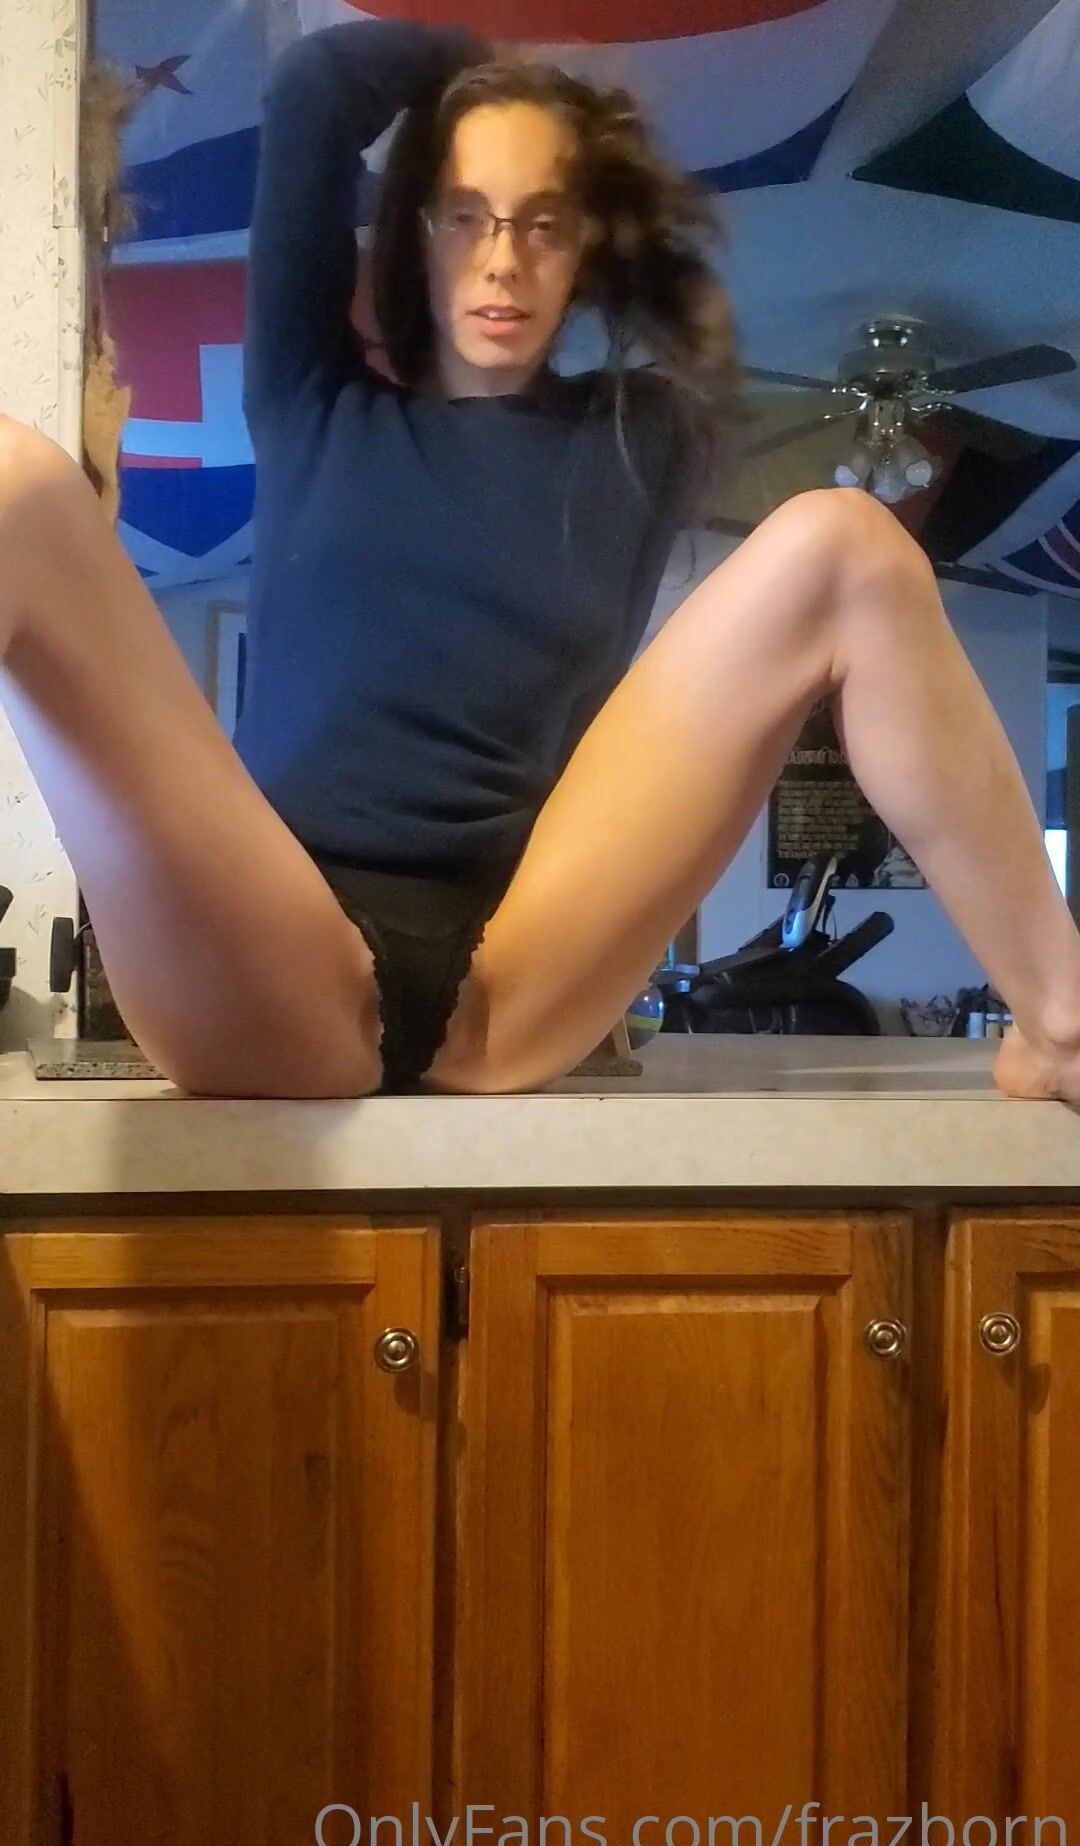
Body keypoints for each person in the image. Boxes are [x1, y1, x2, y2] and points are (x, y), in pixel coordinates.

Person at [1, 16, 1079, 1104]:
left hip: (511, 978)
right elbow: (322, 85)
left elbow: (672, 294)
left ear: (583, 247)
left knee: (847, 541)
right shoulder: (311, 397)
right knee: (15, 481)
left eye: (543, 224)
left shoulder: (644, 436)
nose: (503, 259)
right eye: (467, 215)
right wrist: (489, 74)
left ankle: (1063, 1020)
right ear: (419, 230)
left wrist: (586, 150)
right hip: (281, 959)